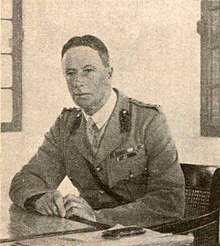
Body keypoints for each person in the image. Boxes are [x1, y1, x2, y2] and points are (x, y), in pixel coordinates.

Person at [9, 35, 185, 227]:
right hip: (90, 238)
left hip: (141, 236)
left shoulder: (148, 120)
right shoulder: (66, 126)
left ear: (109, 74)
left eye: (88, 71)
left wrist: (98, 217)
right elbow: (25, 180)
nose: (78, 82)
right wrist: (40, 198)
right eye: (70, 73)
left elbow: (170, 202)